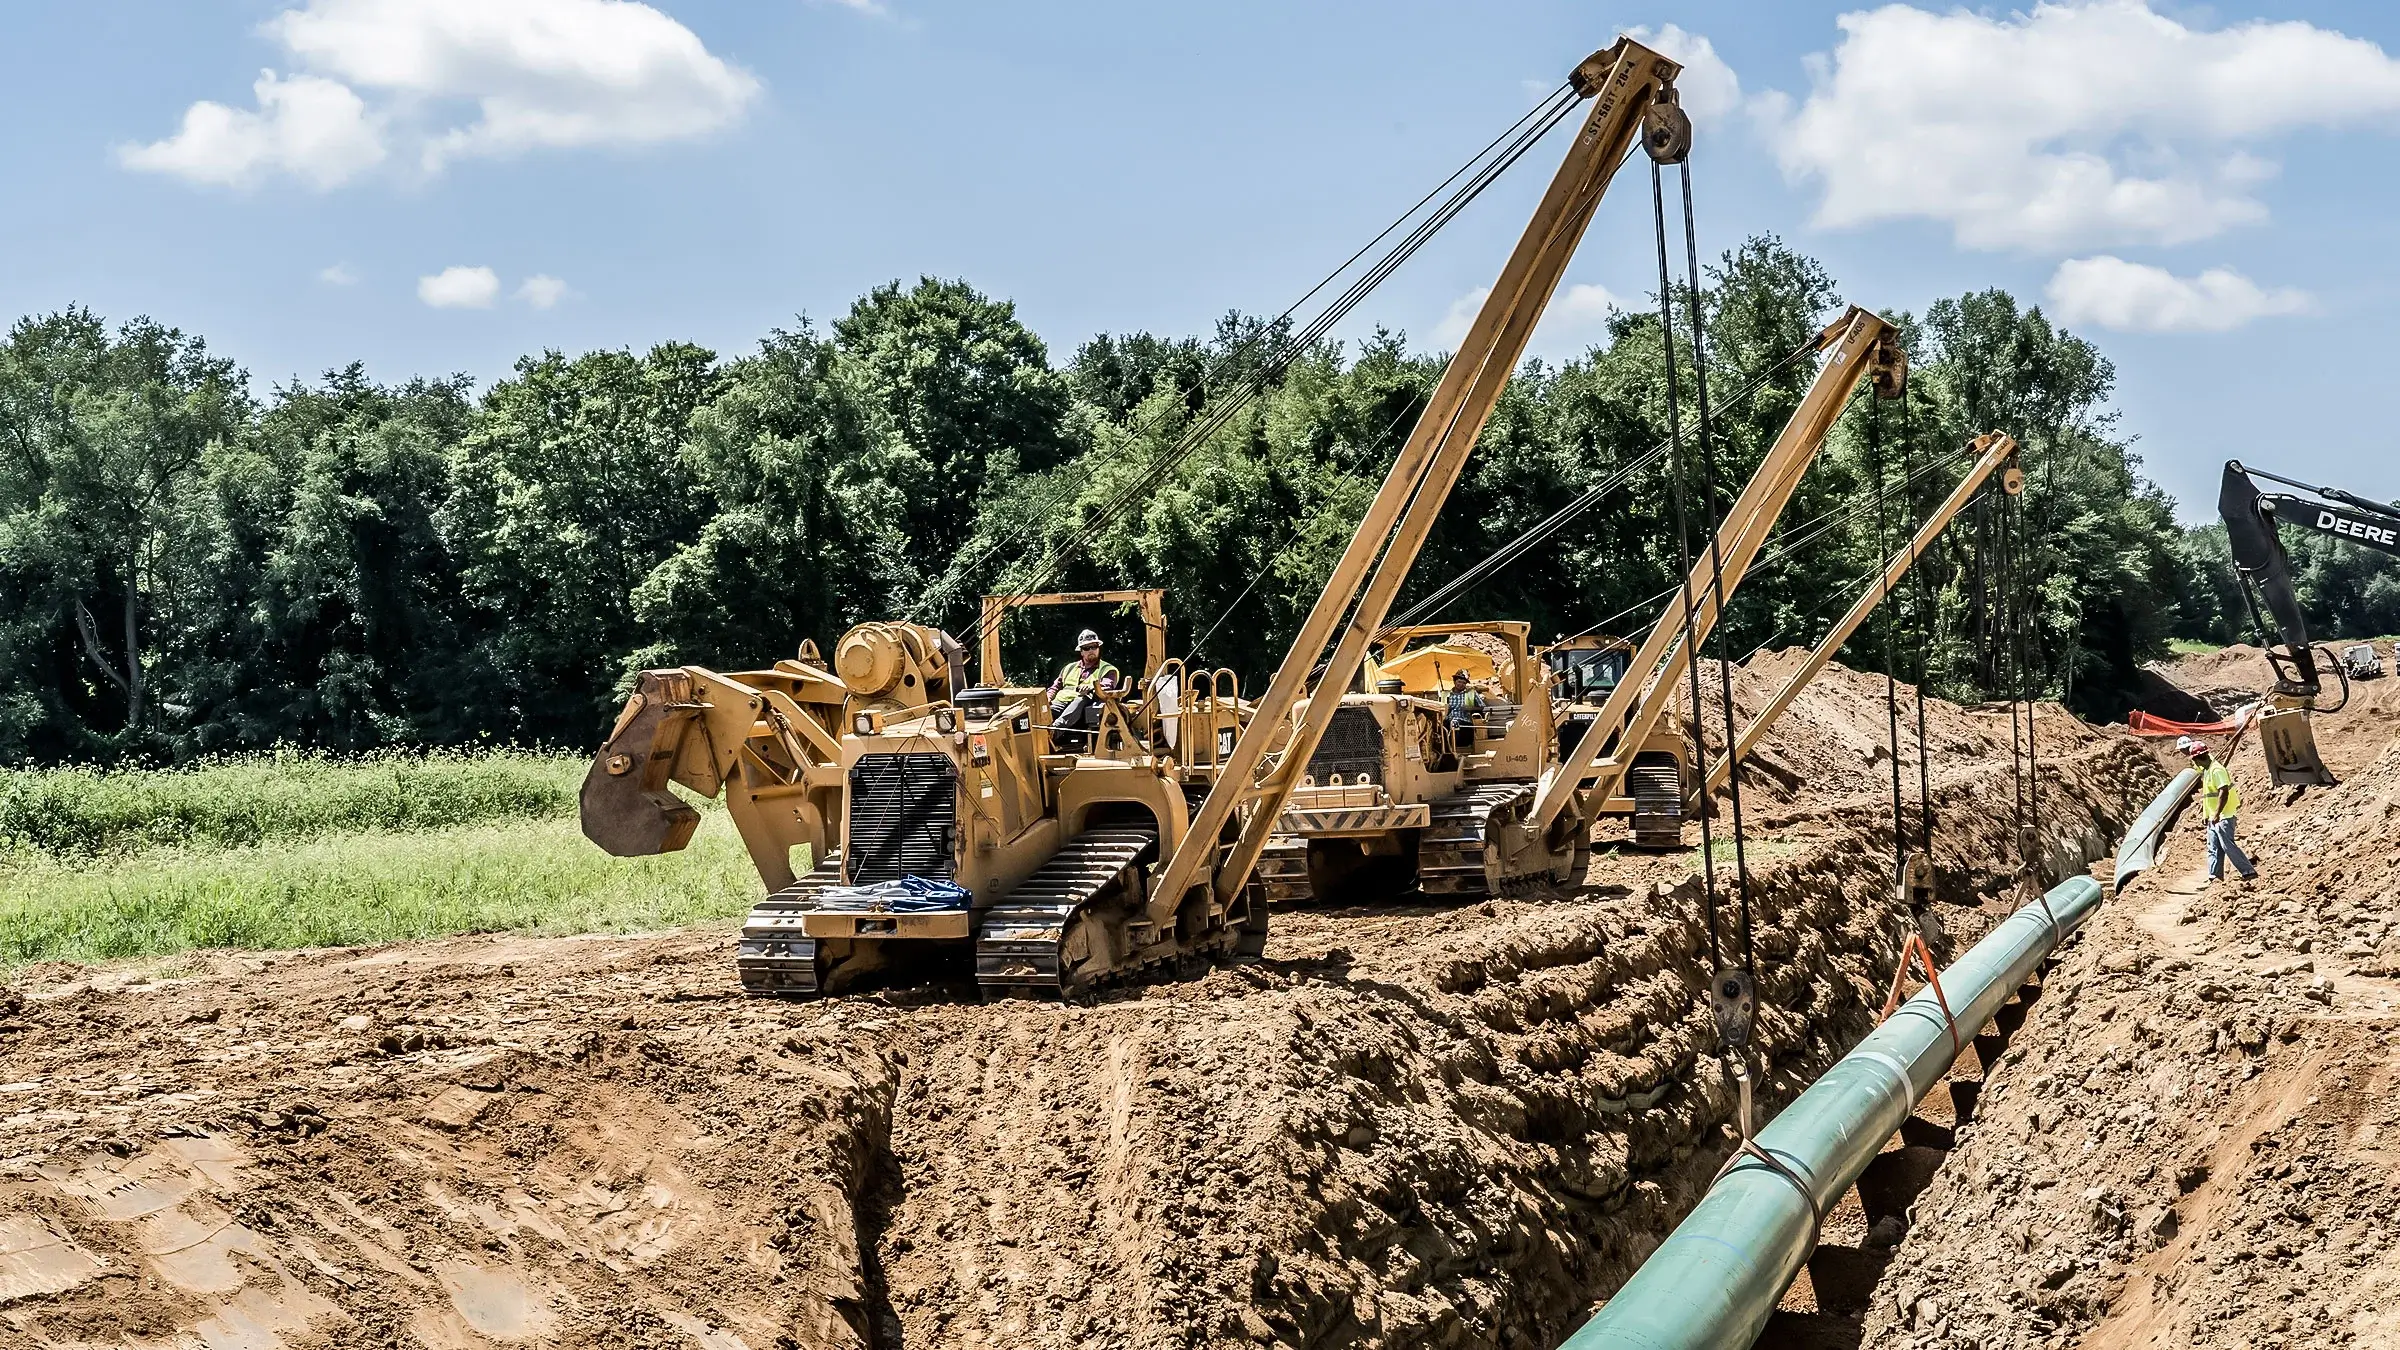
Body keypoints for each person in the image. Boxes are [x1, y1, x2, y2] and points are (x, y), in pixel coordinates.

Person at [2180, 735, 2257, 885]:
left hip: (2224, 815)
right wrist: (2207, 814)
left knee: (2227, 845)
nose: (2193, 763)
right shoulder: (2207, 769)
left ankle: (2248, 871)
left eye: (2194, 759)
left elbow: (2223, 791)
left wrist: (2216, 814)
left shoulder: (2216, 770)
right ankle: (2215, 877)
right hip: (2214, 816)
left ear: (2199, 758)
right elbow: (2209, 796)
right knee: (2213, 847)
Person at [1047, 629, 1120, 749]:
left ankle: (1054, 731)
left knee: (1081, 699)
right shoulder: (1069, 668)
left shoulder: (1108, 669)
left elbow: (1107, 686)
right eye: (1086, 648)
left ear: (1098, 648)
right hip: (1061, 703)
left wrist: (1091, 687)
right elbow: (1055, 687)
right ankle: (1042, 734)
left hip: (1084, 705)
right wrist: (1047, 698)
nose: (1091, 650)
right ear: (1081, 652)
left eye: (1094, 646)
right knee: (1044, 711)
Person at [1446, 669, 1486, 748]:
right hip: (1448, 721)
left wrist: (1470, 708)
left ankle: (1454, 748)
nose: (1461, 684)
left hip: (1465, 722)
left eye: (1464, 683)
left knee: (1455, 723)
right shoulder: (1446, 694)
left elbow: (1482, 706)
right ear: (1454, 682)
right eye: (1459, 681)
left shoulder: (1471, 693)